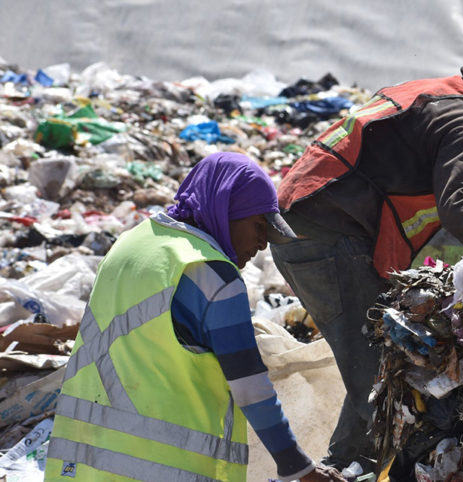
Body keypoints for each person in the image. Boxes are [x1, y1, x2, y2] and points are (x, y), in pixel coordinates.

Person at [269, 25, 463, 472]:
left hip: (303, 218)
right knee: (382, 378)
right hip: (325, 233)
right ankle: (367, 469)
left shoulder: (428, 91)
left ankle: (346, 467)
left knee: (382, 362)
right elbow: (461, 209)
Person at [44, 152, 344, 482]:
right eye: (258, 226)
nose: (261, 245)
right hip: (161, 469)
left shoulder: (129, 244)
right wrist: (296, 466)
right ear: (224, 207)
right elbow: (250, 388)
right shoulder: (213, 275)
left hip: (81, 462)